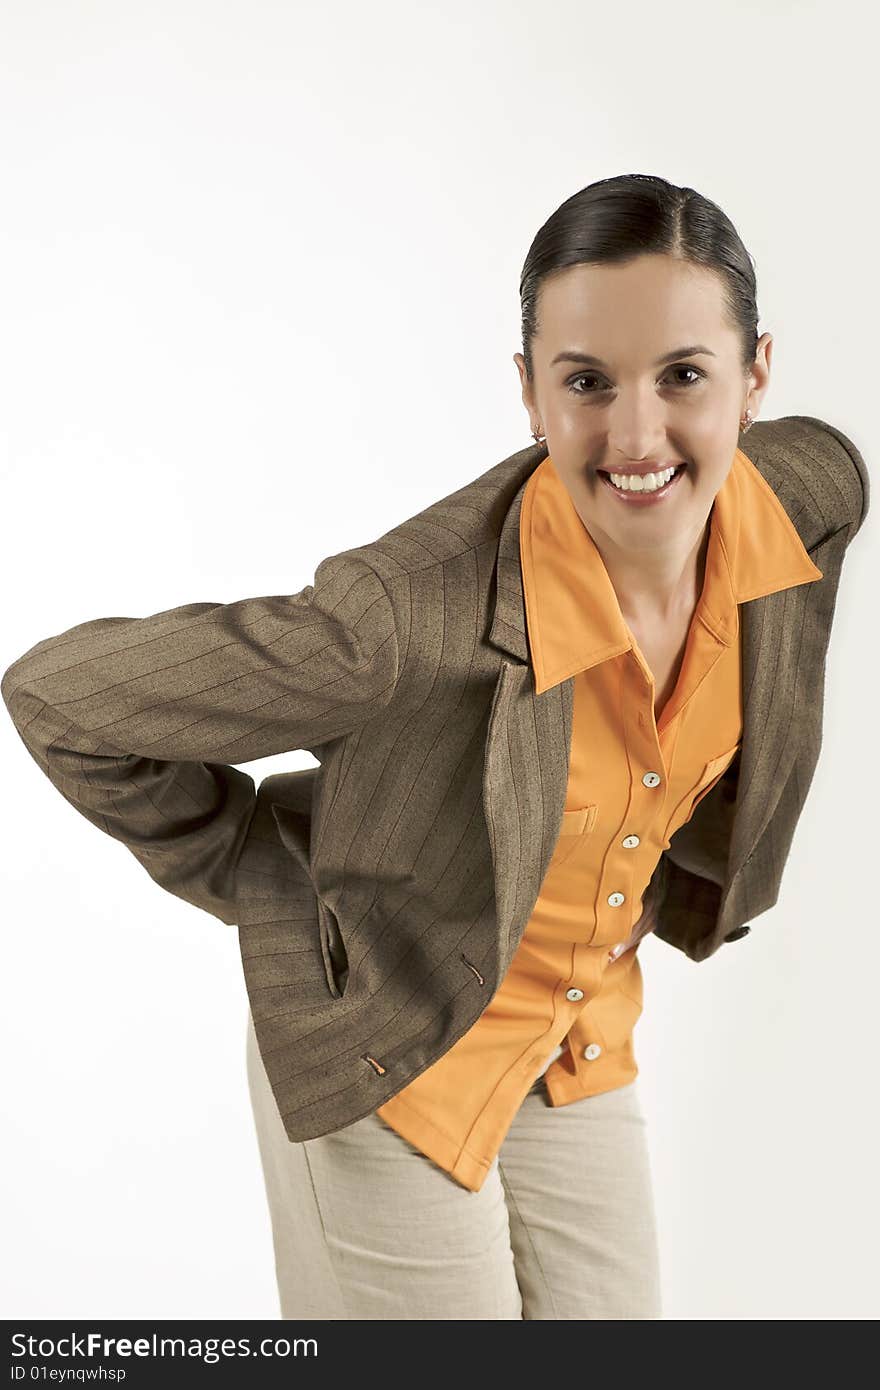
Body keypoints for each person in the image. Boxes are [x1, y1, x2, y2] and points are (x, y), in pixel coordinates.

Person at [2, 173, 868, 1321]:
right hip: (391, 1050)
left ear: (755, 374)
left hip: (574, 1029)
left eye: (683, 375)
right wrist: (281, 883)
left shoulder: (806, 494)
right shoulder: (398, 625)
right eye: (585, 382)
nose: (637, 433)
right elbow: (62, 698)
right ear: (528, 391)